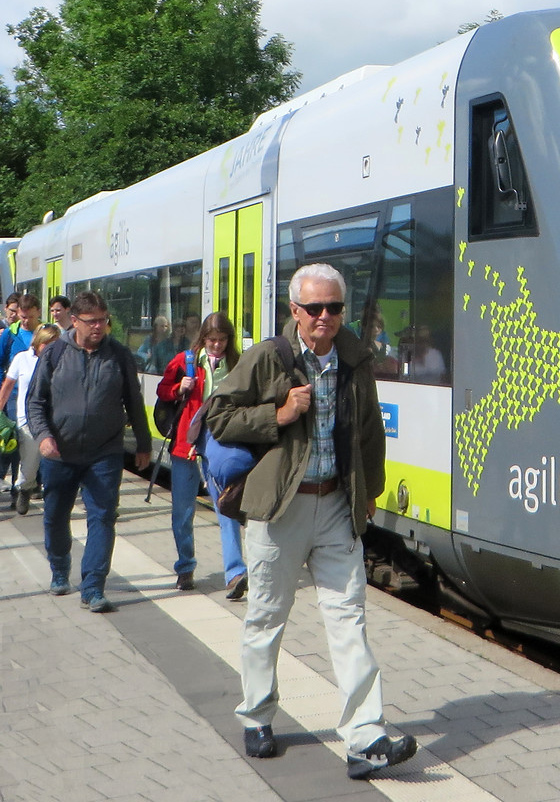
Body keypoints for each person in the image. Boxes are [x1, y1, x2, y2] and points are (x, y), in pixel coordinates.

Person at [204, 263, 416, 780]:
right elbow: (215, 415)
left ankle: (365, 738)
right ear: (294, 311)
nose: (325, 318)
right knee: (266, 617)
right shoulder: (268, 358)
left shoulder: (355, 358)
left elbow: (369, 431)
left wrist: (370, 491)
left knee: (349, 619)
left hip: (337, 506)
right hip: (281, 507)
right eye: (314, 308)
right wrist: (275, 414)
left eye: (335, 308)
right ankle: (256, 715)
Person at [26, 290, 152, 612]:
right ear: (75, 321)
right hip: (59, 453)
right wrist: (43, 436)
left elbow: (134, 404)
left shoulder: (119, 355)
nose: (99, 327)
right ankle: (59, 567)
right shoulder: (54, 354)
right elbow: (35, 402)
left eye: (103, 321)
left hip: (104, 452)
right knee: (55, 516)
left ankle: (93, 586)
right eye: (92, 321)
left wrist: (143, 443)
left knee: (103, 516)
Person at [156, 312, 247, 597]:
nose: (217, 345)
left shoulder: (237, 364)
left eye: (222, 340)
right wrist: (176, 388)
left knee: (226, 508)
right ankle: (185, 566)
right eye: (212, 340)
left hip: (219, 445)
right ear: (203, 339)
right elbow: (162, 390)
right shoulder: (186, 361)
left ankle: (235, 573)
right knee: (183, 511)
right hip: (186, 445)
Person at [0, 323, 60, 514]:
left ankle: (54, 500)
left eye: (55, 344)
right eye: (47, 344)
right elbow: (7, 386)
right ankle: (24, 489)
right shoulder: (22, 359)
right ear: (38, 342)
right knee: (29, 466)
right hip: (27, 421)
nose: (51, 349)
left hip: (56, 420)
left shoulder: (63, 360)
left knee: (55, 464)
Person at [0, 294, 43, 508]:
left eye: (29, 317)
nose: (25, 321)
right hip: (14, 398)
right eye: (22, 317)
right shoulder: (10, 334)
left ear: (38, 313)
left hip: (39, 399)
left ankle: (26, 485)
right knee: (15, 444)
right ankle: (19, 490)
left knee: (30, 447)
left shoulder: (46, 335)